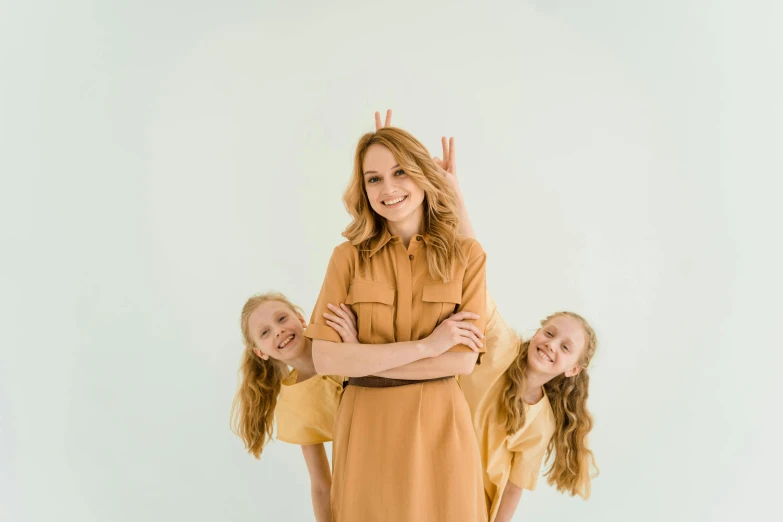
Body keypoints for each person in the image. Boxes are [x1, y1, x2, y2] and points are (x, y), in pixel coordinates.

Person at [304, 122, 488, 522]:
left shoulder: (468, 256)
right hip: (367, 428)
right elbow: (325, 359)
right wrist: (429, 346)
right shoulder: (346, 257)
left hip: (442, 427)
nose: (388, 188)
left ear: (423, 175)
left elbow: (461, 362)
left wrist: (360, 355)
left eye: (400, 171)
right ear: (364, 189)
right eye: (374, 178)